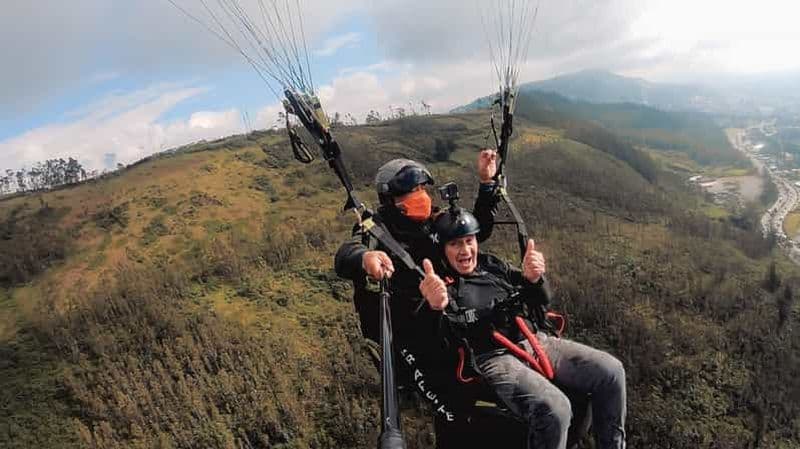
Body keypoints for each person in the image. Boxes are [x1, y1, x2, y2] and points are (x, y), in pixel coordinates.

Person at [418, 206, 627, 449]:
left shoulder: (492, 265)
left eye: (469, 240)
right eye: (455, 244)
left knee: (611, 372)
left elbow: (541, 298)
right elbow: (434, 341)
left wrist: (535, 279)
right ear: (442, 248)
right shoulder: (441, 285)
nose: (465, 250)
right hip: (493, 356)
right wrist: (434, 307)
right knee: (555, 408)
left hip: (536, 341)